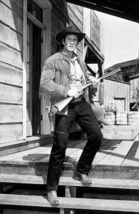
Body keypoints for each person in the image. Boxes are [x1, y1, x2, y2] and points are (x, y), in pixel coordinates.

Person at [40, 25, 103, 205]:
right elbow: (45, 84)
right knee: (60, 146)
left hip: (81, 104)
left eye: (75, 40)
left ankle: (81, 170)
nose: (72, 43)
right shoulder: (53, 60)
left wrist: (92, 82)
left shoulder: (80, 62)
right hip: (65, 105)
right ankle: (52, 190)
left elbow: (84, 85)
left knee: (96, 135)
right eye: (69, 40)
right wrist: (67, 90)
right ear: (63, 41)